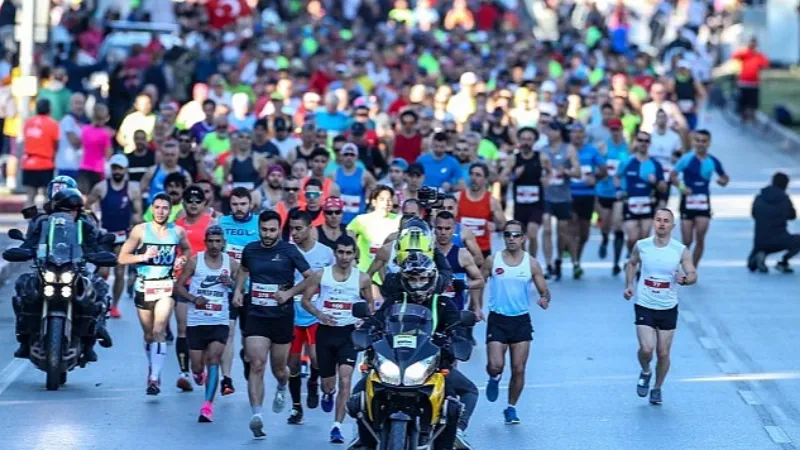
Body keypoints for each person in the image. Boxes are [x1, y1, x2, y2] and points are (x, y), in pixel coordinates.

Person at [349, 252, 474, 450]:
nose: (417, 284)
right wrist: (367, 330)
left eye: (422, 278)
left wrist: (456, 338)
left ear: (432, 279)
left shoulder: (443, 304)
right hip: (394, 361)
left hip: (432, 365)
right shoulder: (395, 302)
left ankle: (456, 431)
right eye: (412, 279)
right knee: (359, 393)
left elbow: (458, 326)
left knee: (463, 394)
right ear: (404, 280)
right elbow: (376, 321)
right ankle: (363, 438)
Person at [232, 210, 314, 440]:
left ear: (279, 230)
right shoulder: (250, 250)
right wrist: (238, 290)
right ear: (258, 229)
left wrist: (289, 293)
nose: (267, 234)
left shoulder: (289, 251)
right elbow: (244, 270)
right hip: (256, 315)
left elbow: (311, 277)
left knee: (279, 368)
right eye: (264, 230)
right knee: (257, 364)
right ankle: (256, 415)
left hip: (281, 317)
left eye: (272, 230)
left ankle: (281, 386)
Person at [13, 186, 113, 361]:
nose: (69, 214)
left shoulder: (85, 224)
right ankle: (23, 338)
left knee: (98, 288)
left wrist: (99, 254)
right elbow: (31, 243)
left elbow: (93, 245)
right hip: (49, 267)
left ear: (78, 210)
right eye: (63, 210)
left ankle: (92, 338)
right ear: (56, 209)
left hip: (75, 269)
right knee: (23, 285)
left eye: (73, 210)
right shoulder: (45, 223)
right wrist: (24, 251)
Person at [299, 235, 373, 443]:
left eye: (349, 253)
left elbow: (370, 306)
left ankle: (337, 426)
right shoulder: (322, 275)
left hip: (348, 334)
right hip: (325, 332)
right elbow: (305, 301)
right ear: (335, 253)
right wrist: (320, 314)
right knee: (328, 384)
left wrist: (363, 321)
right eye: (341, 252)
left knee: (346, 379)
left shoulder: (362, 278)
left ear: (354, 254)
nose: (344, 257)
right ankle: (327, 393)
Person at [118, 192, 192, 395]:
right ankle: (153, 366)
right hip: (144, 286)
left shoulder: (177, 231)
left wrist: (181, 260)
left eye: (165, 208)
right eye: (157, 207)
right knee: (149, 334)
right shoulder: (140, 231)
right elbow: (123, 258)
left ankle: (154, 378)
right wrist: (143, 256)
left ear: (170, 210)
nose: (160, 212)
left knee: (160, 329)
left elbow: (187, 250)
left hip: (165, 286)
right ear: (152, 209)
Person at [623, 208, 697, 405]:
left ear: (672, 226)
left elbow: (692, 274)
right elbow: (632, 264)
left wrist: (685, 279)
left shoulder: (680, 250)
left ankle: (657, 388)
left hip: (667, 306)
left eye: (666, 221)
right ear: (654, 223)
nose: (662, 224)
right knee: (647, 349)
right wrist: (629, 285)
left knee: (663, 353)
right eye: (658, 220)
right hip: (645, 303)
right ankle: (646, 371)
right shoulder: (642, 245)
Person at [480, 220, 551, 424]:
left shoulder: (531, 263)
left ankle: (511, 407)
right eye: (507, 235)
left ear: (523, 238)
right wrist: (474, 306)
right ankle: (494, 378)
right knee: (496, 365)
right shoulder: (493, 261)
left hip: (520, 320)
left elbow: (544, 290)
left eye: (515, 235)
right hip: (498, 318)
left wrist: (544, 298)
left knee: (518, 368)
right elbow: (479, 282)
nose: (511, 238)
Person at [174, 225, 238, 423]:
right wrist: (193, 299)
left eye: (218, 241)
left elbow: (243, 287)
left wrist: (232, 284)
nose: (214, 245)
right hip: (197, 321)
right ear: (205, 242)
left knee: (214, 359)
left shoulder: (232, 264)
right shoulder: (196, 261)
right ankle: (198, 374)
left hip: (219, 320)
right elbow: (178, 287)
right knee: (197, 366)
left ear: (223, 243)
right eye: (211, 241)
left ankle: (207, 407)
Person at [287, 209, 335, 425]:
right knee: (293, 364)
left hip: (315, 313)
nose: (294, 233)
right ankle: (296, 407)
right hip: (292, 314)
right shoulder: (286, 251)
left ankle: (314, 382)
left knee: (316, 358)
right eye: (291, 229)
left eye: (299, 229)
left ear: (309, 229)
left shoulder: (325, 253)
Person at [86, 153, 143, 318]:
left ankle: (114, 306)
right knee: (103, 270)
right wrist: (94, 224)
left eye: (120, 168)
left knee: (119, 273)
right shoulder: (101, 187)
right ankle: (95, 298)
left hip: (122, 236)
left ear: (125, 170)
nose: (117, 171)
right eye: (114, 168)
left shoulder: (132, 189)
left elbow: (137, 212)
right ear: (110, 169)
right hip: (105, 234)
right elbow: (87, 207)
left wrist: (136, 224)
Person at [173, 185, 217, 391]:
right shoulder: (176, 226)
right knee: (183, 329)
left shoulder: (212, 224)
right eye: (189, 201)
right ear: (183, 203)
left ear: (204, 204)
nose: (193, 204)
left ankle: (200, 369)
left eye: (197, 201)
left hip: (208, 285)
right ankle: (184, 373)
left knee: (206, 331)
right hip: (184, 284)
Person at [218, 187, 260, 396]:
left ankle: (246, 357)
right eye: (235, 204)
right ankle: (226, 379)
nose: (239, 208)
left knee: (247, 338)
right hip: (226, 288)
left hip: (252, 289)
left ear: (250, 204)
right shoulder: (221, 223)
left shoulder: (259, 225)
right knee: (228, 332)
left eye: (243, 204)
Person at [670, 130, 729, 268]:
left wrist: (723, 181)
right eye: (698, 140)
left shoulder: (713, 161)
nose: (701, 144)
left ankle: (692, 268)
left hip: (703, 203)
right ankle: (681, 263)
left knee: (700, 237)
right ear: (693, 142)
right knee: (687, 240)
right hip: (687, 202)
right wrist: (683, 188)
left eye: (704, 141)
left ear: (709, 143)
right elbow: (672, 176)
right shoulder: (686, 159)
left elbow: (725, 177)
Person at [501, 127, 550, 261]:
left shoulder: (541, 157)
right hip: (520, 205)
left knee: (532, 233)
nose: (526, 142)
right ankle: (525, 262)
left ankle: (533, 260)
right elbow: (502, 179)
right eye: (523, 139)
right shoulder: (513, 159)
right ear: (519, 140)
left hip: (536, 203)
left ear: (534, 141)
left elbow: (550, 173)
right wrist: (513, 176)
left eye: (529, 139)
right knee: (521, 239)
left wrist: (547, 179)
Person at [617, 131, 666, 257]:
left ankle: (640, 266)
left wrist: (656, 182)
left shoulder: (655, 164)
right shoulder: (627, 162)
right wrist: (619, 190)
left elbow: (663, 187)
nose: (643, 143)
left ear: (649, 143)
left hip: (648, 204)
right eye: (640, 140)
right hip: (631, 203)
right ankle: (630, 253)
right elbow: (617, 176)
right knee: (633, 238)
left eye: (646, 141)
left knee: (644, 238)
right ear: (635, 142)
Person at [595, 118, 628, 275]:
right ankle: (604, 239)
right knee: (606, 224)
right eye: (612, 129)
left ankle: (616, 261)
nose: (615, 132)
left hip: (619, 191)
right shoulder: (603, 146)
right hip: (604, 190)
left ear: (621, 130)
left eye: (617, 129)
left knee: (618, 225)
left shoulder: (627, 147)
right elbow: (597, 166)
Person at [748, 172, 799, 274]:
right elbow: (792, 216)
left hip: (760, 241)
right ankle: (783, 262)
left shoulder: (759, 197)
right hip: (780, 239)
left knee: (752, 266)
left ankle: (760, 255)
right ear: (786, 185)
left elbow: (754, 214)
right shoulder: (784, 198)